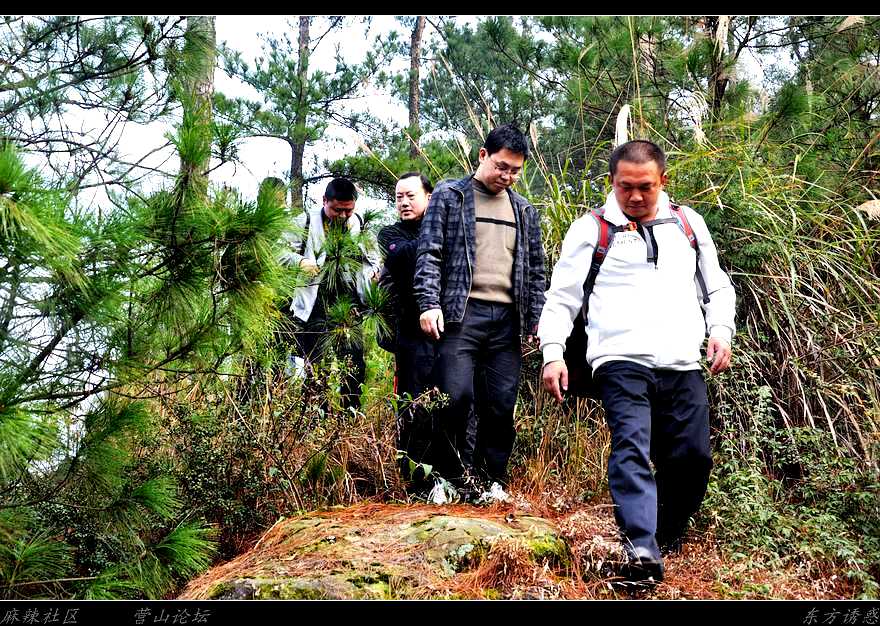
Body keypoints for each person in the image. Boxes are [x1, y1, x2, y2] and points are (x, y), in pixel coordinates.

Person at [538, 140, 736, 583]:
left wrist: (721, 330)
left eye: (645, 186)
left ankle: (662, 535)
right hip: (619, 360)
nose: (635, 196)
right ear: (612, 181)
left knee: (693, 458)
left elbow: (717, 287)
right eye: (625, 186)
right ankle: (640, 546)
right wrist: (553, 353)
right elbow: (562, 297)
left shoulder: (688, 223)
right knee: (631, 446)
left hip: (682, 361)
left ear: (663, 180)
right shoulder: (591, 229)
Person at [414, 123, 547, 499]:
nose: (507, 176)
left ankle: (491, 482)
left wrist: (537, 318)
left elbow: (536, 270)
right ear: (483, 155)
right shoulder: (450, 196)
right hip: (460, 314)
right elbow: (429, 252)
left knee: (500, 404)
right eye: (501, 166)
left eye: (515, 171)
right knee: (454, 397)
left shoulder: (524, 210)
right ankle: (448, 479)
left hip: (506, 321)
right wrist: (429, 303)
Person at [279, 177, 380, 411]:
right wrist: (300, 261)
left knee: (354, 364)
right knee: (316, 366)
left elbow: (373, 259)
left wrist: (374, 273)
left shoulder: (360, 225)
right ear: (324, 200)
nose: (343, 215)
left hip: (349, 305)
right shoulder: (305, 221)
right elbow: (278, 252)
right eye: (337, 210)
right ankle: (316, 418)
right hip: (315, 304)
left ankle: (349, 416)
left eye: (348, 210)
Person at [376, 172, 436, 489]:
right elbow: (400, 256)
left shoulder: (443, 227)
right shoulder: (389, 233)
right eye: (399, 197)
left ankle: (449, 476)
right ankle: (415, 480)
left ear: (429, 197)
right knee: (412, 404)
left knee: (451, 402)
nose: (404, 202)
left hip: (448, 331)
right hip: (409, 333)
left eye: (411, 196)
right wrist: (438, 237)